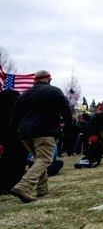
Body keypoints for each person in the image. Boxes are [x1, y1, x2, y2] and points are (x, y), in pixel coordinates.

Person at [9, 70, 72, 203]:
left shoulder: (24, 94)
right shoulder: (54, 91)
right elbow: (66, 111)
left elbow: (14, 118)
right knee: (45, 159)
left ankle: (42, 189)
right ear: (49, 79)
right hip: (44, 131)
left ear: (35, 80)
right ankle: (23, 186)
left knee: (39, 159)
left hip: (25, 133)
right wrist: (68, 126)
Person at [0, 88, 27, 195]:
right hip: (16, 138)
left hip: (4, 139)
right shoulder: (17, 109)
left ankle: (4, 185)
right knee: (17, 162)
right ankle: (14, 184)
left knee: (5, 162)